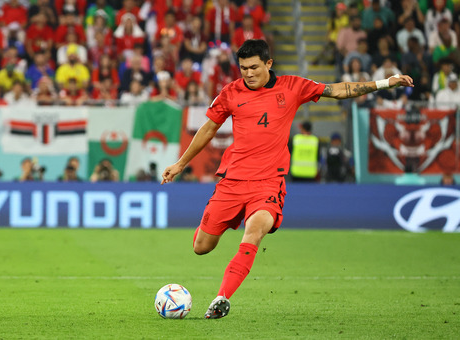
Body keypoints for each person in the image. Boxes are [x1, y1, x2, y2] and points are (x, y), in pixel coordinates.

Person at [160, 39, 414, 319]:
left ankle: (222, 297)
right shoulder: (230, 93)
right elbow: (208, 130)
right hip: (232, 182)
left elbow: (338, 91)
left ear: (269, 63)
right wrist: (181, 163)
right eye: (243, 68)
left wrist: (385, 83)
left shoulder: (293, 86)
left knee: (254, 232)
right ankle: (216, 227)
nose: (248, 73)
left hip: (268, 184)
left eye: (254, 67)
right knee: (202, 247)